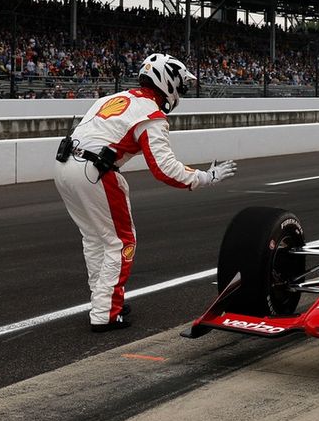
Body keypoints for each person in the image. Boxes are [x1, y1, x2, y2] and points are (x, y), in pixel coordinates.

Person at [54, 53, 237, 332]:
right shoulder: (152, 115)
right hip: (96, 173)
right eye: (182, 86)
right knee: (121, 241)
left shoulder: (114, 98)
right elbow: (164, 169)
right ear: (169, 81)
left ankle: (103, 301)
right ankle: (106, 313)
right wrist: (206, 177)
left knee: (95, 238)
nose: (182, 92)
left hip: (63, 166)